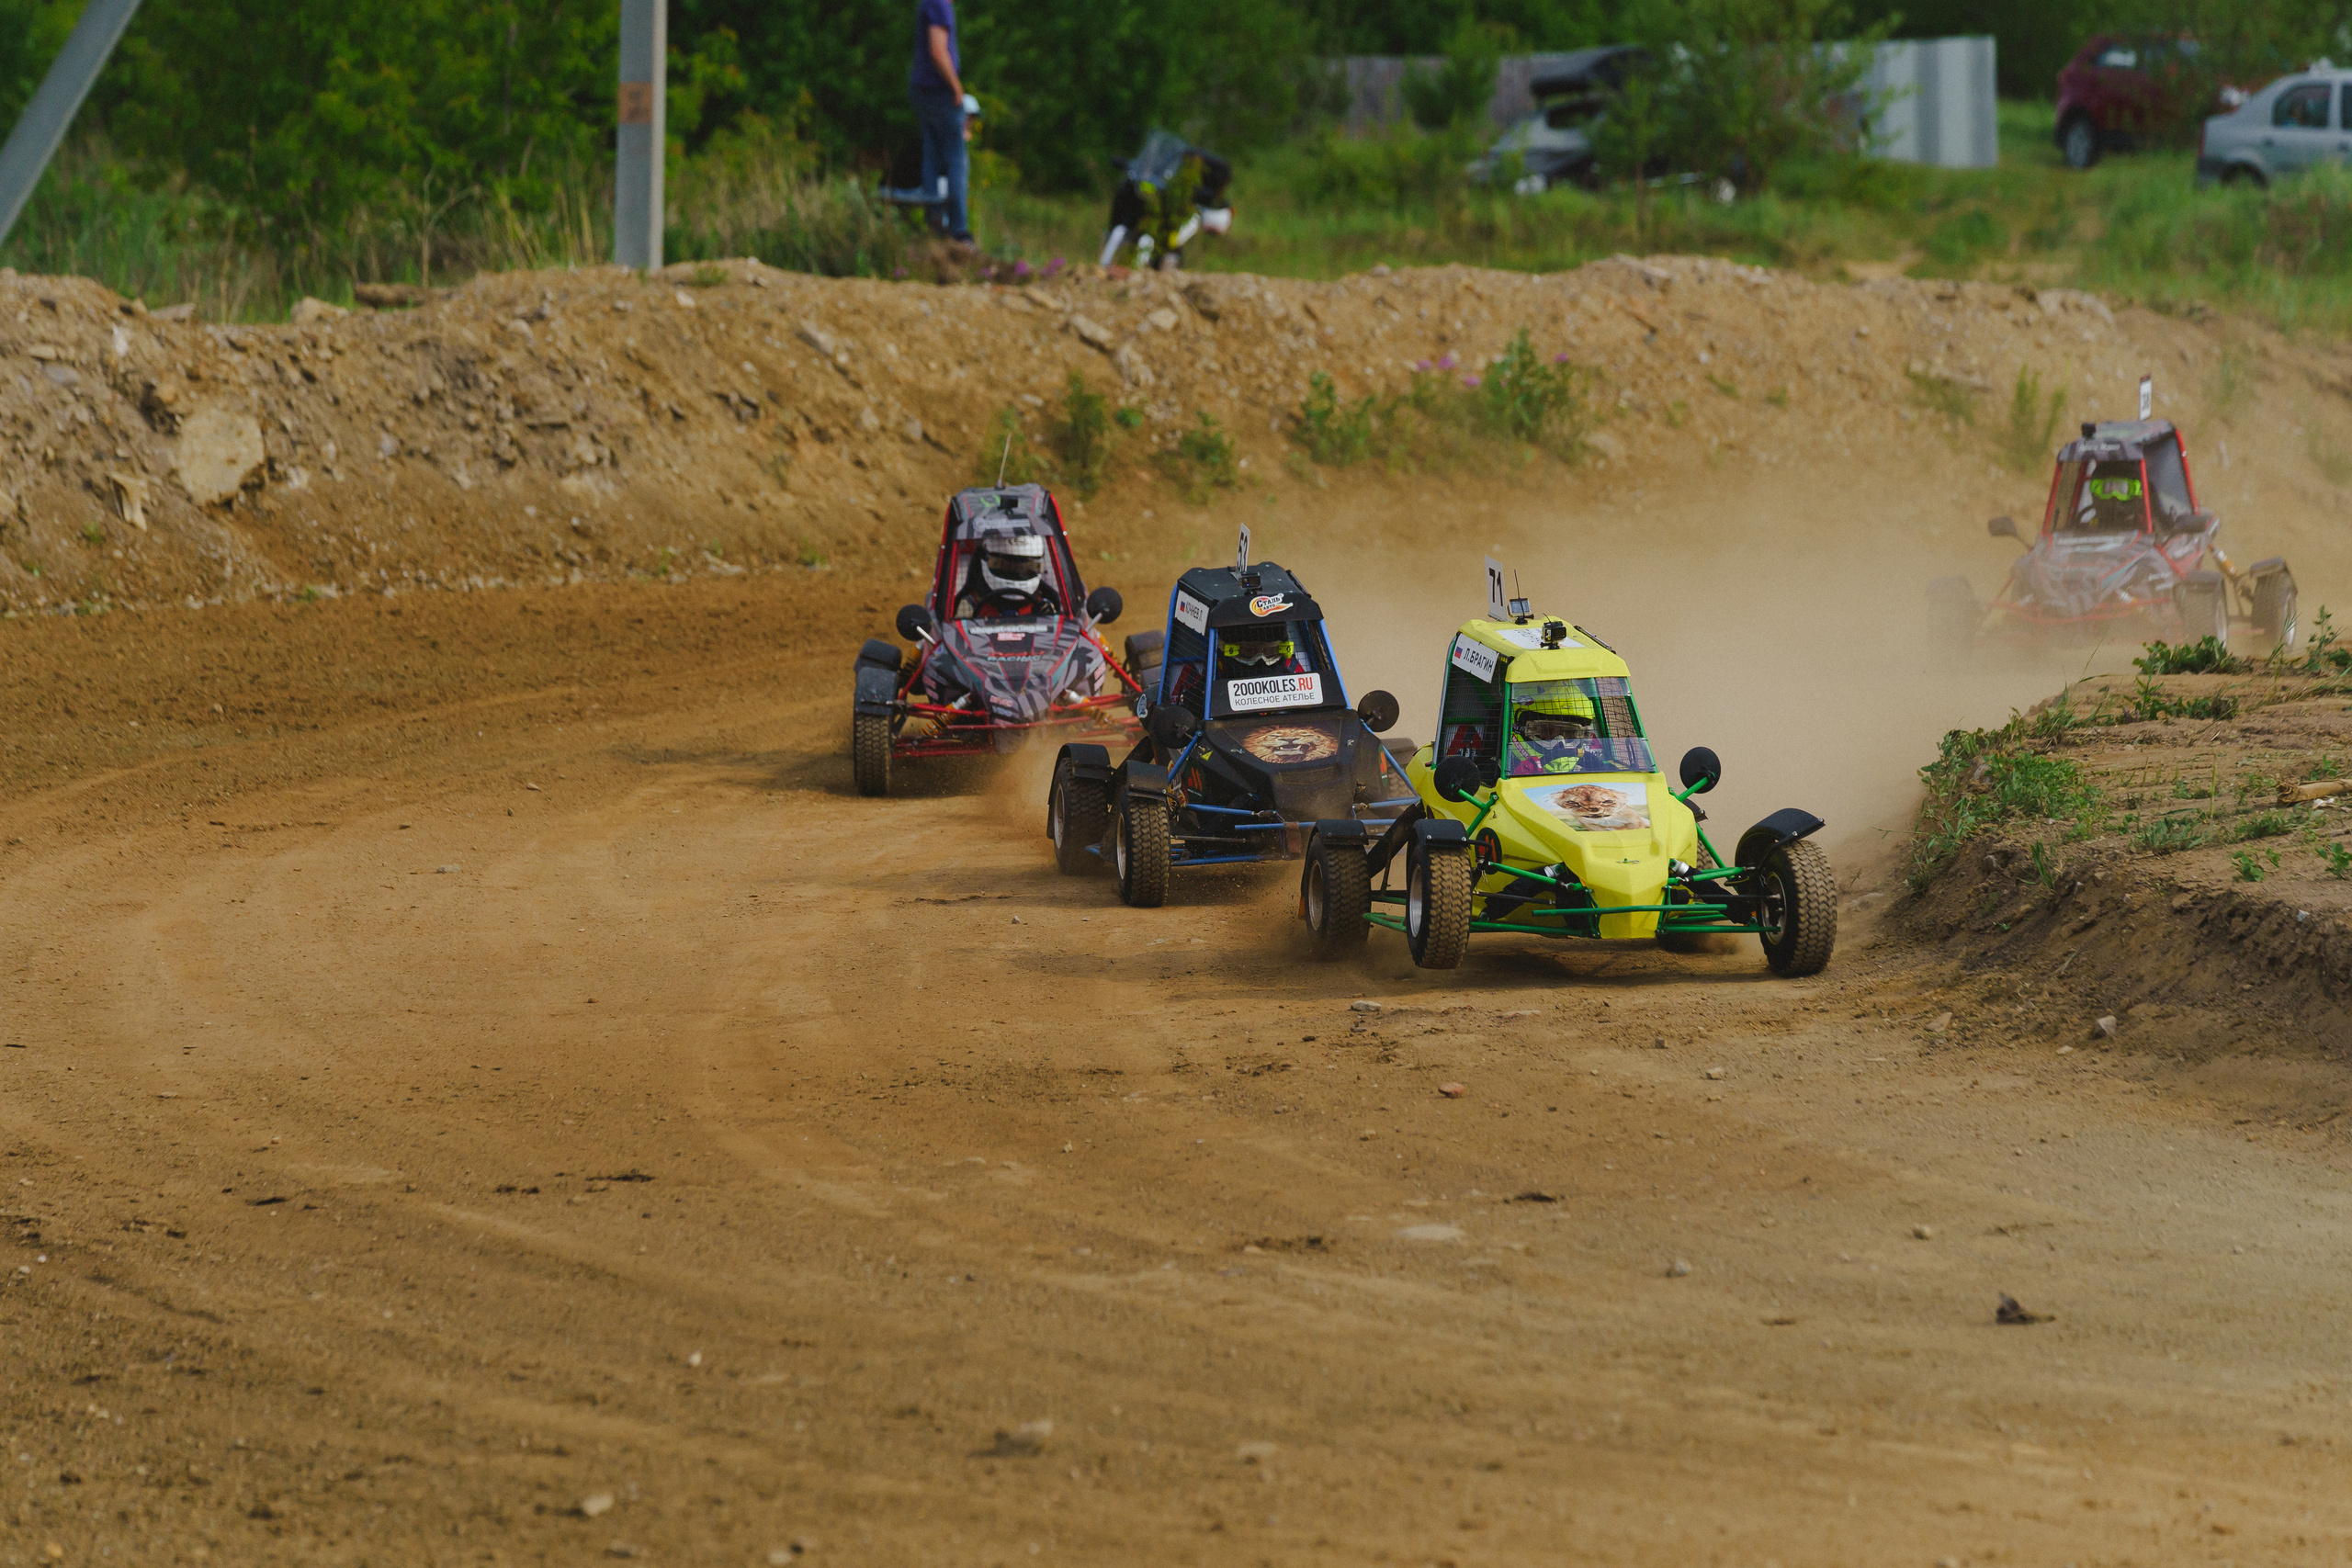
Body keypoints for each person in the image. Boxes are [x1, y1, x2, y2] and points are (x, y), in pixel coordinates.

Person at [909, 0, 973, 244]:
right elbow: (938, 51)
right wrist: (956, 88)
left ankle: (934, 225)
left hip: (923, 90)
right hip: (940, 91)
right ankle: (959, 232)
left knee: (932, 158)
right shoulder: (940, 4)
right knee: (956, 159)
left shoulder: (929, 3)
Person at [954, 533, 1060, 618]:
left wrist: (1048, 617)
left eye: (1024, 568)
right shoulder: (968, 605)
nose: (1017, 572)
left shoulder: (1045, 606)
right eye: (1007, 566)